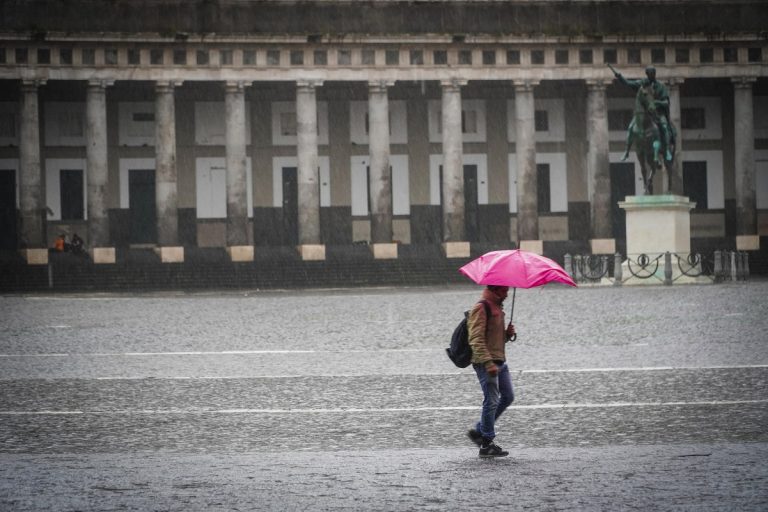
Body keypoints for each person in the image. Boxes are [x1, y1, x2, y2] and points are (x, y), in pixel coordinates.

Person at [466, 284, 517, 458]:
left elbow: (493, 338)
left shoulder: (497, 308)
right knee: (492, 400)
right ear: (495, 290)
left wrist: (507, 335)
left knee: (508, 396)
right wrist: (488, 363)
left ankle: (480, 430)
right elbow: (475, 338)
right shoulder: (481, 307)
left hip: (499, 362)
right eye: (505, 291)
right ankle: (486, 444)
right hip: (486, 363)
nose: (507, 294)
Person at [613, 66, 673, 162]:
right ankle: (626, 151)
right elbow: (628, 83)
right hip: (643, 114)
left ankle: (666, 150)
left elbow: (666, 102)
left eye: (652, 74)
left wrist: (657, 102)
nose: (651, 76)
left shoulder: (661, 87)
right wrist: (619, 77)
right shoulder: (642, 85)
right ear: (647, 74)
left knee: (664, 128)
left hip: (657, 113)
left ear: (655, 74)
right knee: (630, 128)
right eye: (649, 74)